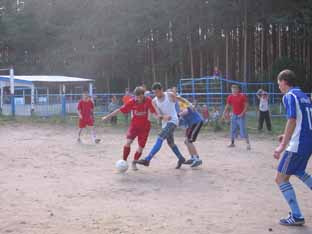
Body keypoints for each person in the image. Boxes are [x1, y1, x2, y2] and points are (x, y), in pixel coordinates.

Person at [273, 70, 312, 226]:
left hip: (298, 144)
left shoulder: (289, 96)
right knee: (298, 171)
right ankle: (296, 215)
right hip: (307, 141)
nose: (279, 87)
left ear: (284, 81)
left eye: (279, 84)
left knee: (280, 178)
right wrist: (287, 135)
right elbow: (303, 120)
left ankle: (296, 216)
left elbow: (292, 119)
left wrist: (282, 145)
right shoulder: (303, 96)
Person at [102, 87, 157, 171]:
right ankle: (123, 161)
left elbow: (154, 112)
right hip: (134, 126)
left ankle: (134, 163)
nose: (138, 99)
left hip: (145, 127)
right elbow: (119, 110)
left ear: (143, 95)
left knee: (141, 147)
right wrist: (107, 117)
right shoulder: (132, 102)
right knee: (128, 142)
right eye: (137, 97)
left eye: (140, 97)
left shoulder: (148, 101)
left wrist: (159, 117)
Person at [134, 82, 186, 169]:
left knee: (160, 138)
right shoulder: (154, 101)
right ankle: (181, 158)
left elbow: (180, 99)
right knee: (171, 143)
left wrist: (189, 105)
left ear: (162, 90)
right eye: (154, 92)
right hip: (165, 123)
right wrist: (163, 117)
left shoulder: (169, 95)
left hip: (173, 121)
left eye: (157, 92)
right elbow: (158, 115)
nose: (156, 94)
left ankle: (147, 159)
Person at [222, 84, 251, 150]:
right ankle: (232, 143)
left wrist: (242, 113)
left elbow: (246, 105)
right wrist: (224, 113)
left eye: (235, 89)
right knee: (232, 129)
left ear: (238, 90)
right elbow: (228, 105)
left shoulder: (242, 96)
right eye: (232, 90)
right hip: (234, 115)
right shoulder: (230, 97)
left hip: (241, 115)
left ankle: (248, 144)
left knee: (243, 130)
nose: (234, 91)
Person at [179, 103, 204, 167]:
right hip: (192, 124)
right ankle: (193, 158)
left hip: (196, 122)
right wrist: (186, 134)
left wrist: (177, 115)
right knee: (186, 141)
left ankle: (197, 159)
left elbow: (186, 111)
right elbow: (185, 125)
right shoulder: (179, 110)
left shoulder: (183, 105)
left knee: (189, 141)